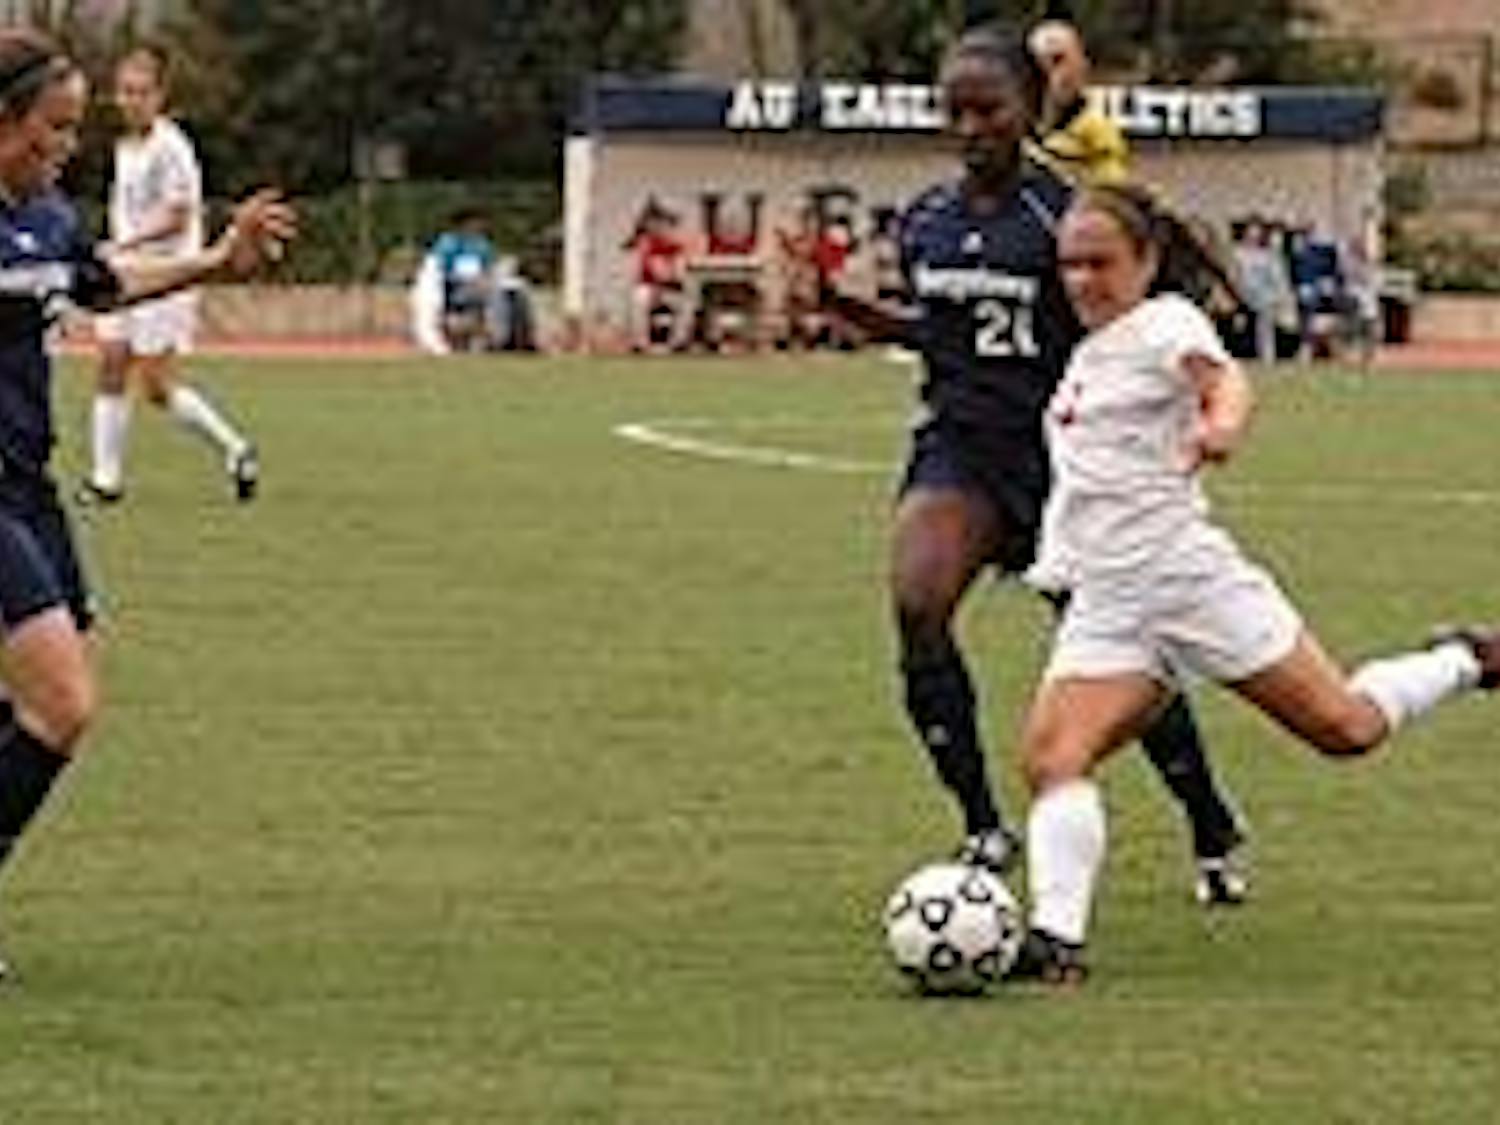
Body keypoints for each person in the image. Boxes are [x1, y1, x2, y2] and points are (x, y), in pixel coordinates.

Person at [1006, 182, 1499, 984]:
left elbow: (1223, 381)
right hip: (1110, 604)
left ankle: (1468, 660)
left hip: (1189, 582)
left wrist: (1220, 425)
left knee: (1345, 728)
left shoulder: (1166, 321)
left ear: (1147, 260)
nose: (1082, 279)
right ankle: (1056, 943)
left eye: (1100, 261)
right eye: (1069, 263)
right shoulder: (1089, 354)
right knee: (1053, 757)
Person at [825, 27, 1246, 900]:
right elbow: (939, 333)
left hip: (1068, 468)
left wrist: (1197, 393)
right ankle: (982, 826)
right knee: (917, 600)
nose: (971, 126)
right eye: (956, 111)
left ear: (1029, 110)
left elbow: (1141, 313)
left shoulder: (1066, 216)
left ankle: (1207, 816)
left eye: (990, 109)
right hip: (961, 454)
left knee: (1119, 660)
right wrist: (852, 312)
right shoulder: (929, 220)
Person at [0, 28, 294, 981]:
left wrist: (215, 262)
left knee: (44, 698)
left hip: (28, 487)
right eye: (51, 128)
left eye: (73, 128)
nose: (66, 147)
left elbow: (104, 282)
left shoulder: (43, 217)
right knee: (62, 704)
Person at [83, 45, 260, 505]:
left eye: (140, 92)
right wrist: (116, 252)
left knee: (156, 387)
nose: (130, 100)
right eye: (124, 91)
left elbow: (178, 218)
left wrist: (125, 245)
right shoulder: (125, 147)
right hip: (125, 274)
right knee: (110, 359)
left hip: (167, 277)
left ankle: (236, 449)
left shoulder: (172, 147)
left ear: (160, 96)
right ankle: (106, 480)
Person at [1027, 20, 1129, 184]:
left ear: (1082, 66)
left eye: (1058, 60)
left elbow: (1112, 192)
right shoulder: (1013, 126)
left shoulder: (1097, 132)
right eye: (1037, 61)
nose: (1049, 72)